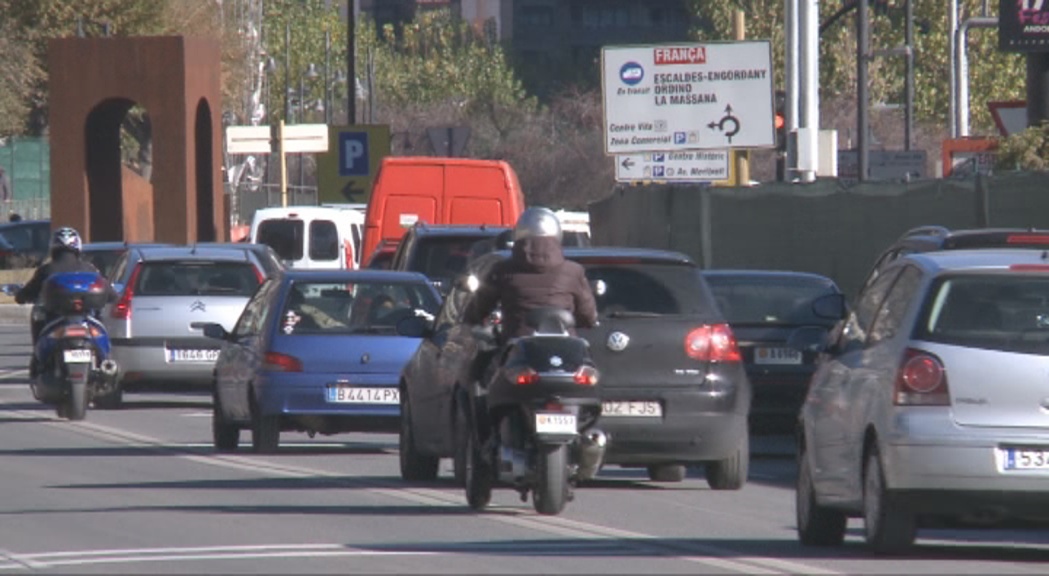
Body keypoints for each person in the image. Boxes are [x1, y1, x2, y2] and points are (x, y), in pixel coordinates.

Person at [464, 206, 598, 346]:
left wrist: (471, 322)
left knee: (482, 364)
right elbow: (588, 316)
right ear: (557, 234)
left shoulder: (502, 270)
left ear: (519, 235)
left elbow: (479, 308)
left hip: (518, 348)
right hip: (565, 350)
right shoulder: (574, 271)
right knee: (589, 366)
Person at [15, 227, 118, 375]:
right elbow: (112, 295)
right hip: (86, 322)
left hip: (58, 321)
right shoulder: (89, 269)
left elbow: (25, 294)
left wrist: (21, 296)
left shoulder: (46, 270)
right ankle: (104, 361)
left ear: (53, 248)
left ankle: (38, 361)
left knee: (38, 316)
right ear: (77, 247)